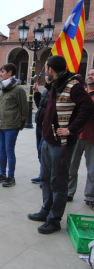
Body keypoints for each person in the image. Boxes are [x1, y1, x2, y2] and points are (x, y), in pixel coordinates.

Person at [28, 56, 94, 234]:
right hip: (48, 140)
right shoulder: (57, 83)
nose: (45, 70)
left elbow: (87, 107)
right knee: (45, 178)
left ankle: (54, 220)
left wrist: (71, 129)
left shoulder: (73, 85)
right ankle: (46, 210)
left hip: (62, 143)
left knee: (58, 181)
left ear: (50, 68)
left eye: (47, 67)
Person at [0, 63, 27, 187]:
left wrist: (20, 124)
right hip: (1, 124)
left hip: (12, 125)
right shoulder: (3, 88)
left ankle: (11, 176)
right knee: (2, 150)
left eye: (2, 71)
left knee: (9, 151)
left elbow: (24, 109)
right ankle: (2, 174)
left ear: (10, 73)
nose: (0, 74)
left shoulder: (18, 89)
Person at [67, 68, 94, 206]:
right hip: (77, 135)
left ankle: (90, 197)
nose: (90, 76)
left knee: (92, 169)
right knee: (72, 165)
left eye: (93, 75)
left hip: (92, 137)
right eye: (89, 74)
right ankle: (69, 192)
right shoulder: (80, 92)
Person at [30, 76, 51, 185]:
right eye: (46, 76)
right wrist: (37, 93)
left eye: (49, 76)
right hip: (39, 124)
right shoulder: (47, 90)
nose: (47, 78)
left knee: (43, 151)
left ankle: (46, 177)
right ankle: (43, 174)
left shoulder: (55, 91)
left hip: (46, 126)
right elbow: (40, 106)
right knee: (40, 152)